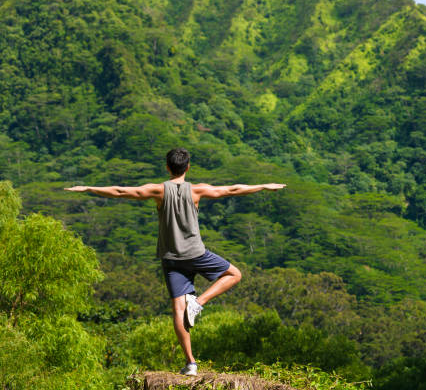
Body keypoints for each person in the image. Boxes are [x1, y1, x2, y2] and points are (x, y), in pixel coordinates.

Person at [65, 147, 286, 376]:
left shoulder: (158, 190)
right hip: (197, 254)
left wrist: (89, 188)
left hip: (171, 259)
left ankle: (191, 363)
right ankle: (199, 303)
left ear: (167, 167)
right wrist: (263, 186)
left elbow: (121, 191)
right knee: (235, 274)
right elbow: (231, 189)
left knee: (178, 310)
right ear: (187, 167)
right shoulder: (196, 190)